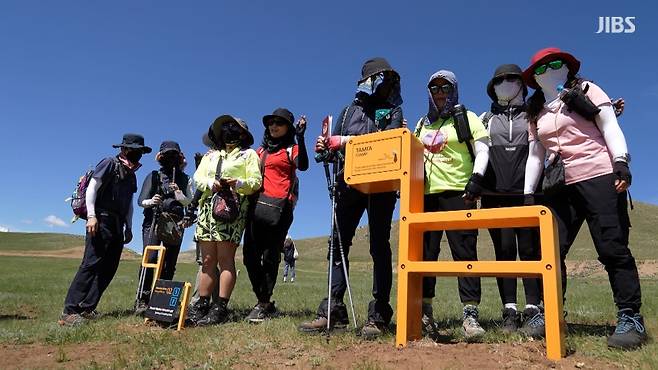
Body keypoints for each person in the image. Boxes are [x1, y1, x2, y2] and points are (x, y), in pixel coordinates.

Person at [522, 47, 647, 349]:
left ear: (568, 68)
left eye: (555, 64)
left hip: (598, 175)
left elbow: (609, 126)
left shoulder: (587, 90)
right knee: (551, 252)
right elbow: (536, 154)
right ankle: (550, 313)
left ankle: (630, 317)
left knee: (612, 246)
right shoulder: (536, 110)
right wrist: (528, 193)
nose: (548, 71)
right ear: (534, 79)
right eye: (540, 68)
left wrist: (621, 162)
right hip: (558, 187)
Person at [299, 57, 403, 339]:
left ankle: (379, 314)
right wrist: (325, 147)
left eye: (390, 80)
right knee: (338, 244)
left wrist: (343, 142)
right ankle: (332, 310)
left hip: (381, 186)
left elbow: (391, 143)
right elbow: (332, 151)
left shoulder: (393, 111)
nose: (387, 85)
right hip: (348, 184)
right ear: (369, 80)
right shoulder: (346, 113)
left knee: (379, 246)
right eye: (382, 79)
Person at [413, 70, 490, 339]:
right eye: (434, 89)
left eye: (445, 88)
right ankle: (425, 313)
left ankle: (470, 316)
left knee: (465, 253)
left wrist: (476, 179)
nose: (440, 93)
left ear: (454, 89)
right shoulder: (422, 124)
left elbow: (482, 149)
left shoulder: (466, 118)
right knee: (425, 256)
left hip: (460, 192)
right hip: (426, 196)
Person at [479, 64, 544, 337]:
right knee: (504, 251)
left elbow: (541, 149)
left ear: (522, 83)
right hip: (495, 195)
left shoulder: (534, 115)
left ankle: (533, 309)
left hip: (528, 194)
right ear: (492, 88)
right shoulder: (484, 119)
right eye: (499, 80)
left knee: (529, 251)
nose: (505, 83)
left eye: (511, 78)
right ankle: (509, 310)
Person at [59, 133, 151, 326]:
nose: (137, 154)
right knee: (91, 264)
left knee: (109, 267)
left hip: (118, 223)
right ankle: (70, 311)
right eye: (134, 150)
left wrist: (129, 226)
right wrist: (91, 216)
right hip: (101, 219)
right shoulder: (109, 163)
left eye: (140, 152)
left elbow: (130, 204)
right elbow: (93, 187)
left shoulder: (131, 174)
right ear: (124, 149)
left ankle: (87, 308)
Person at [187, 115, 262, 326]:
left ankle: (220, 306)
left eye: (234, 128)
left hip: (232, 210)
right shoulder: (210, 157)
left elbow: (255, 182)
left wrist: (237, 183)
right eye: (225, 127)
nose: (229, 130)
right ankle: (202, 303)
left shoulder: (249, 155)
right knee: (208, 260)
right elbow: (197, 178)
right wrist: (211, 184)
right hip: (207, 209)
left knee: (225, 259)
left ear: (243, 134)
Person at [243, 108, 309, 323]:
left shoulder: (291, 149)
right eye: (271, 122)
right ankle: (264, 301)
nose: (273, 126)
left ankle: (263, 304)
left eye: (279, 123)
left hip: (280, 209)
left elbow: (304, 166)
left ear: (288, 127)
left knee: (271, 257)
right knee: (249, 256)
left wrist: (300, 137)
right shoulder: (260, 151)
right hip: (255, 208)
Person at [134, 141, 194, 314]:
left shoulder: (185, 178)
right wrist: (152, 202)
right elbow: (141, 201)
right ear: (161, 158)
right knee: (150, 258)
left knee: (169, 261)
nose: (171, 159)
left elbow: (189, 200)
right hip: (154, 219)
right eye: (167, 155)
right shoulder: (154, 176)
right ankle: (142, 299)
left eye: (174, 155)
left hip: (175, 223)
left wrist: (178, 194)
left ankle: (163, 302)